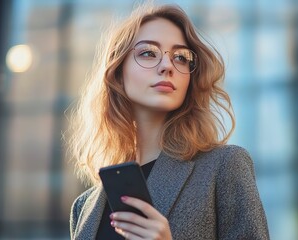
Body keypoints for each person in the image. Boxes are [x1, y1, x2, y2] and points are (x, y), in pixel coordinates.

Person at [68, 3, 269, 240]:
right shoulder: (84, 207)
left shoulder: (225, 166)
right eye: (148, 53)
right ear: (118, 73)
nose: (167, 66)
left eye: (181, 57)